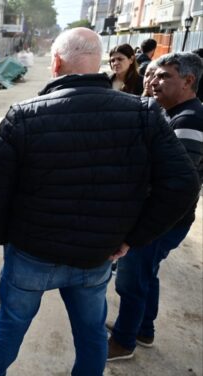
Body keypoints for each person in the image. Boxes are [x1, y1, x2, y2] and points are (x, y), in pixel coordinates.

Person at [0, 28, 200, 376]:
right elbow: (183, 183)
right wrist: (133, 238)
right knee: (90, 334)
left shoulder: (23, 115)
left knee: (10, 326)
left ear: (56, 62)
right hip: (96, 256)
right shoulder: (143, 113)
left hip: (31, 255)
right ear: (98, 62)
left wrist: (4, 236)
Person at [107, 51, 203, 361]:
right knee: (146, 275)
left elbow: (175, 185)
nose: (154, 81)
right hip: (161, 219)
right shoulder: (171, 112)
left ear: (188, 81)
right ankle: (143, 330)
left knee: (131, 281)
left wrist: (137, 233)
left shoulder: (188, 119)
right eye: (153, 74)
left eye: (164, 76)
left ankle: (123, 342)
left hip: (161, 221)